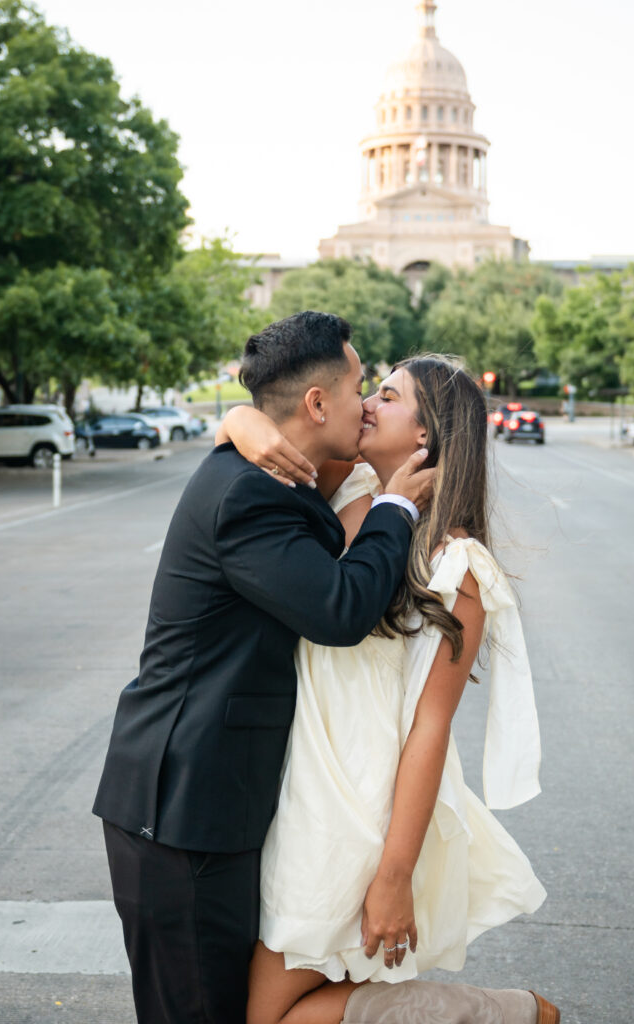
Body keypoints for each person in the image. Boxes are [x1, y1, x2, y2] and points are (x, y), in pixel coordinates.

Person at [92, 311, 436, 1024]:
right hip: (182, 811)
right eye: (359, 386)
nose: (366, 401)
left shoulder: (283, 472)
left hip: (223, 807)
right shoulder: (251, 491)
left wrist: (242, 421)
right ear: (316, 403)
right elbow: (339, 610)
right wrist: (397, 504)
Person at [218, 354, 560, 1024]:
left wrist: (395, 875)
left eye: (388, 395)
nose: (367, 403)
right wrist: (239, 418)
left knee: (267, 1017)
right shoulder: (342, 491)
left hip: (357, 812)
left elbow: (431, 727)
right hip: (295, 790)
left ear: (427, 436)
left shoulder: (456, 565)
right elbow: (267, 423)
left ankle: (502, 1013)